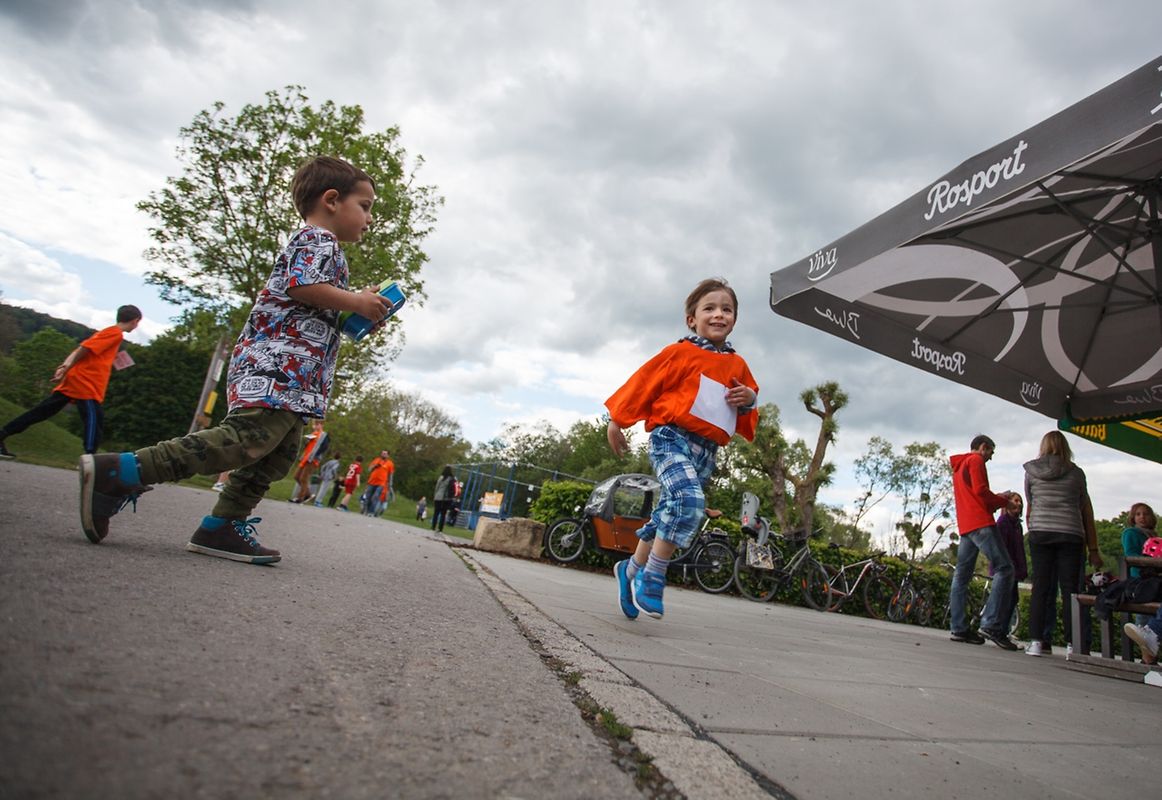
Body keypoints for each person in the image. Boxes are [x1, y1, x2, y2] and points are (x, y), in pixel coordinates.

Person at [76, 156, 392, 564]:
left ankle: (223, 525)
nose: (369, 218)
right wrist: (355, 300)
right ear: (332, 200)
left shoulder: (324, 249)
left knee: (274, 456)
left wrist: (356, 309)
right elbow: (302, 286)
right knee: (244, 441)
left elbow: (312, 300)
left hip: (296, 379)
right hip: (276, 368)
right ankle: (122, 471)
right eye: (364, 206)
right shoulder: (318, 239)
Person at [606, 278, 758, 620]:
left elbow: (749, 405)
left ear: (734, 318)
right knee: (689, 501)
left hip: (706, 450)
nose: (719, 314)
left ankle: (628, 571)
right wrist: (617, 419)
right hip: (671, 437)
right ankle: (654, 575)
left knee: (667, 512)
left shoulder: (738, 365)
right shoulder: (679, 353)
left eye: (727, 309)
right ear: (692, 319)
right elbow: (644, 382)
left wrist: (749, 399)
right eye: (710, 308)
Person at [0, 305, 142, 458]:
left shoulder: (110, 333)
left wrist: (66, 366)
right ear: (135, 320)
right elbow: (84, 348)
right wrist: (66, 366)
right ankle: (90, 457)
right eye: (138, 322)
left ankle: (2, 434)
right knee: (94, 418)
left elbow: (84, 349)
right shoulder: (114, 334)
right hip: (86, 383)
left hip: (77, 380)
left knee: (41, 412)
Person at [1023, 430, 1103, 656]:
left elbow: (1031, 500)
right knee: (1071, 590)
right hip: (1070, 532)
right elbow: (1081, 504)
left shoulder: (1030, 472)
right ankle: (1074, 644)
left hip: (1040, 530)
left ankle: (1037, 641)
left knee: (1041, 586)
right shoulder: (1077, 473)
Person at [948, 434, 1017, 649]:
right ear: (983, 447)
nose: (990, 458)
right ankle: (991, 623)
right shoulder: (976, 460)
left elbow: (974, 495)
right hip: (981, 523)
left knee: (961, 576)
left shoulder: (959, 466)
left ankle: (958, 627)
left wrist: (996, 498)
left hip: (966, 525)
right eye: (991, 453)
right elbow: (980, 491)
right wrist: (1004, 501)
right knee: (1006, 569)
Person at [993, 494, 1028, 642]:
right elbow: (1002, 548)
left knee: (1012, 599)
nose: (1018, 504)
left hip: (1015, 570)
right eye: (1015, 500)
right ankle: (999, 629)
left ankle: (1004, 630)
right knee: (1005, 599)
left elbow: (1020, 549)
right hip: (1006, 569)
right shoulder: (1003, 523)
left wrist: (1022, 568)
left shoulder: (1017, 526)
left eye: (1020, 501)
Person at [1121, 502, 1156, 626]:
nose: (1142, 517)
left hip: (1153, 577)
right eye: (1138, 514)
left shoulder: (1153, 535)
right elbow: (1130, 554)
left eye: (1146, 514)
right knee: (1144, 607)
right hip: (1139, 577)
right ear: (1133, 518)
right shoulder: (1130, 533)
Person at [290, 420, 329, 503]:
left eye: (317, 424)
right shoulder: (313, 434)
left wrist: (316, 455)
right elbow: (307, 445)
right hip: (305, 458)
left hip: (313, 460)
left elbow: (325, 447)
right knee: (296, 476)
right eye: (314, 425)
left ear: (321, 425)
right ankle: (308, 494)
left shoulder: (323, 435)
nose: (315, 426)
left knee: (303, 478)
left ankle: (300, 498)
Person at [361, 450, 394, 516]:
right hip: (372, 481)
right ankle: (365, 510)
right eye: (382, 453)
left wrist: (390, 484)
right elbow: (369, 469)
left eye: (385, 454)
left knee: (376, 497)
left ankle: (371, 512)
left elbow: (390, 474)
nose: (383, 454)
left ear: (388, 455)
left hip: (381, 483)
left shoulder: (390, 463)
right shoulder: (376, 460)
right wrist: (374, 466)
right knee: (368, 496)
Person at [431, 466, 456, 532]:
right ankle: (440, 528)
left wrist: (435, 495)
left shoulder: (441, 478)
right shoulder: (452, 479)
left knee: (436, 513)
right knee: (443, 514)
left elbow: (437, 487)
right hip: (447, 498)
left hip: (438, 497)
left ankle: (433, 526)